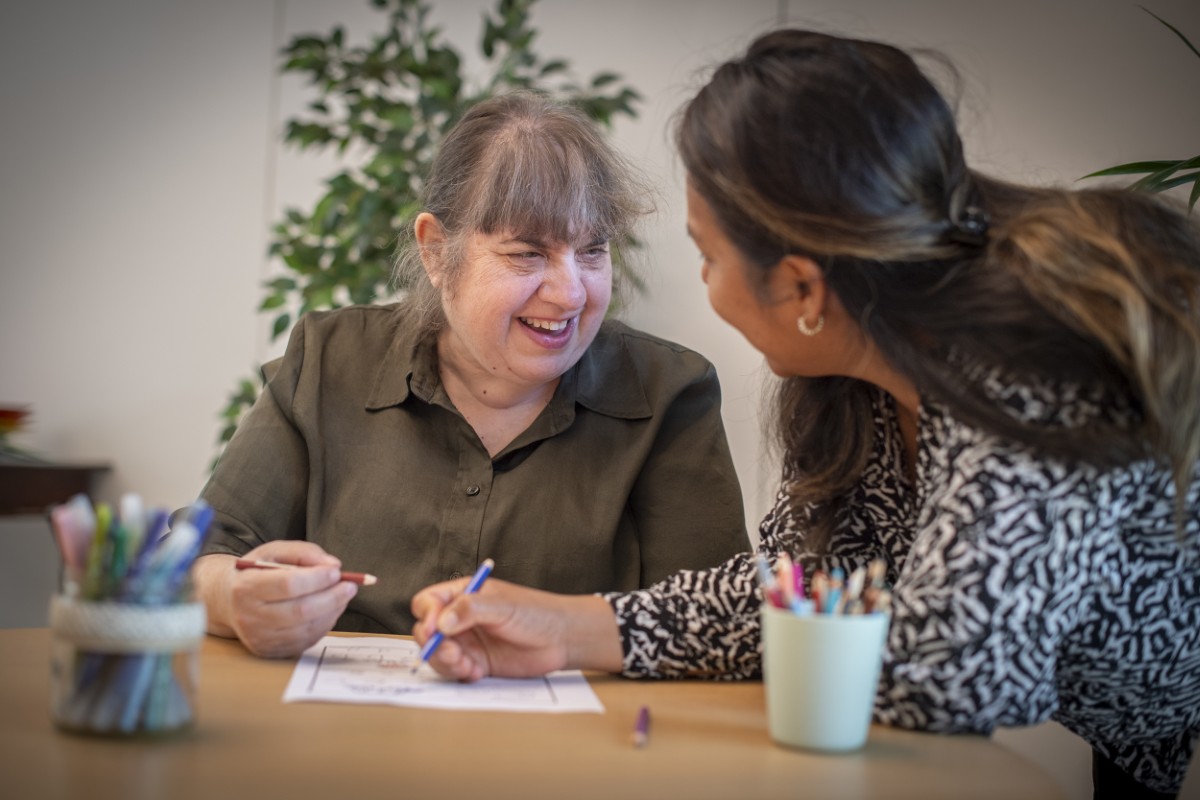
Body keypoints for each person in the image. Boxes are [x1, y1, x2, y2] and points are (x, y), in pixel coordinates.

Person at [410, 30, 1200, 799]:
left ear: (803, 289)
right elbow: (796, 592)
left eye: (710, 258)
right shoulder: (854, 382)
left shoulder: (1025, 366)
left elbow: (957, 676)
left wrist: (596, 629)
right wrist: (565, 626)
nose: (710, 287)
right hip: (1120, 722)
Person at [191, 93, 749, 659]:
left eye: (592, 251)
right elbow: (199, 556)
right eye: (527, 254)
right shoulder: (328, 359)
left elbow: (717, 626)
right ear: (436, 252)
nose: (572, 293)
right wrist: (232, 594)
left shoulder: (671, 392)